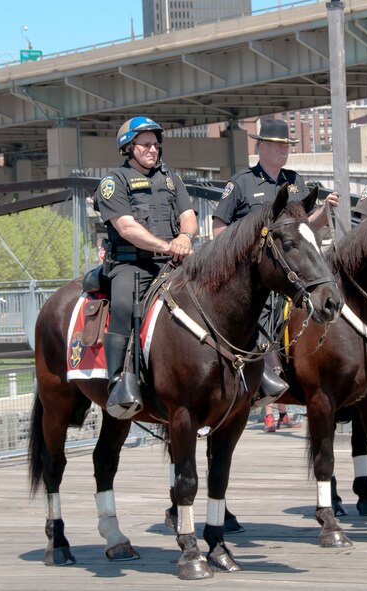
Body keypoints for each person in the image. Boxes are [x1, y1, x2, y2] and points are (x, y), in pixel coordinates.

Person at [211, 118, 339, 432]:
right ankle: (258, 377)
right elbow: (218, 229)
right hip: (249, 276)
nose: (284, 151)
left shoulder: (296, 182)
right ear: (262, 147)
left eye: (287, 146)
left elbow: (308, 228)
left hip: (287, 272)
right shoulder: (241, 183)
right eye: (278, 145)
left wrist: (325, 210)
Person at [95, 116, 198, 420]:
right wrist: (166, 246)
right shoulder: (114, 182)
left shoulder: (170, 178)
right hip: (131, 264)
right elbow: (126, 227)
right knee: (125, 305)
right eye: (146, 144)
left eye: (156, 143)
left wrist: (185, 236)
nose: (154, 149)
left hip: (174, 262)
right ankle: (118, 381)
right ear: (129, 147)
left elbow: (189, 214)